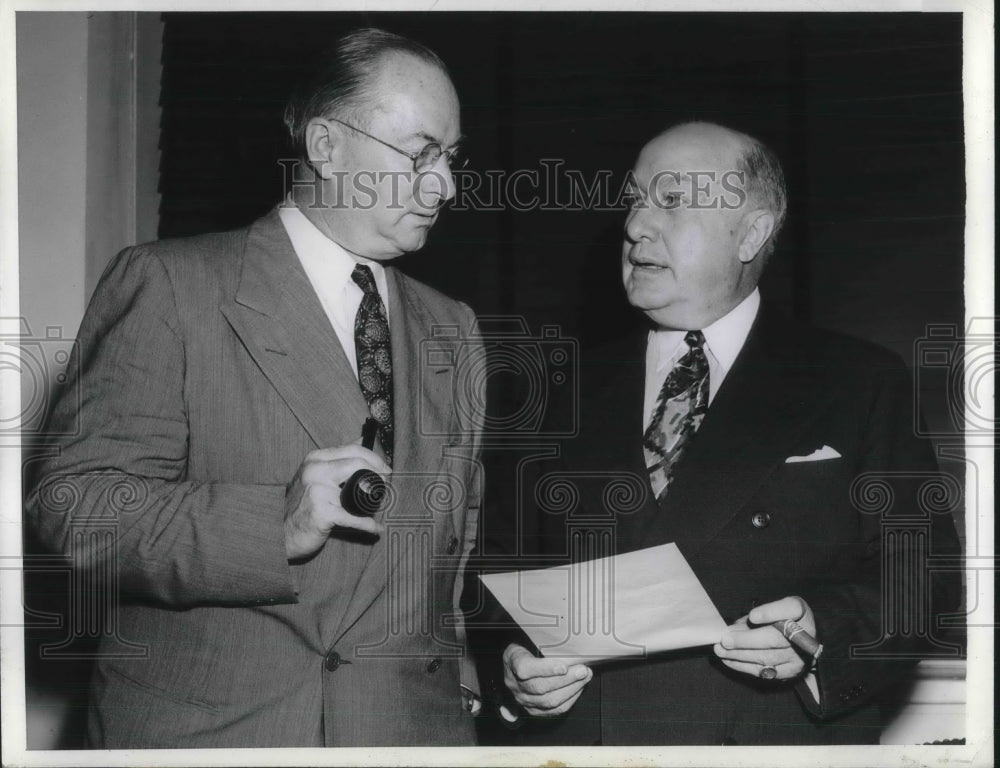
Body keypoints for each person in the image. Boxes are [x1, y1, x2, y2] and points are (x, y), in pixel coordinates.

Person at [25, 28, 485, 748]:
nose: (446, 185)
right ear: (327, 146)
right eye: (421, 153)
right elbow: (75, 506)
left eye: (451, 159)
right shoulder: (172, 286)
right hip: (221, 736)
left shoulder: (455, 329)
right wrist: (271, 525)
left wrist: (464, 698)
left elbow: (446, 566)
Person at [468, 121, 962, 745]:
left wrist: (822, 630)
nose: (635, 225)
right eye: (634, 200)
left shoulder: (861, 380)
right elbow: (492, 572)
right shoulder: (551, 388)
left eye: (671, 200)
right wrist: (512, 666)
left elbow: (927, 578)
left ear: (751, 232)